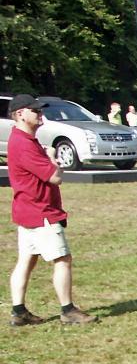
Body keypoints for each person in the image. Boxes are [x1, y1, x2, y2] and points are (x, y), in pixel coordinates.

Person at [6, 95, 97, 326]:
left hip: (27, 210)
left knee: (26, 260)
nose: (40, 114)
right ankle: (68, 310)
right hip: (40, 211)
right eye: (34, 111)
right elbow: (54, 177)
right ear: (19, 114)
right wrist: (52, 157)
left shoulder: (23, 139)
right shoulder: (24, 143)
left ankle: (19, 312)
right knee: (62, 259)